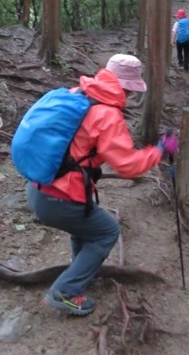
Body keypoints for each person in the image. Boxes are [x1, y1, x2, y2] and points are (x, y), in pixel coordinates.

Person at [26, 54, 178, 316]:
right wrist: (160, 150)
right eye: (130, 90)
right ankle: (65, 292)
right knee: (107, 231)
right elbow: (128, 167)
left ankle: (80, 274)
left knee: (84, 230)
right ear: (126, 86)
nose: (130, 95)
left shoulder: (78, 94)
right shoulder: (107, 115)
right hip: (61, 198)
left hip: (39, 187)